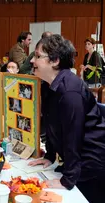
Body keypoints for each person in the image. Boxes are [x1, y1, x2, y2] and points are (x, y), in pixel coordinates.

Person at [29, 34, 105, 203]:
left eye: (37, 56)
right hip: (74, 162)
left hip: (91, 166)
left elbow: (73, 136)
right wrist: (49, 155)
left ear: (55, 61)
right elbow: (50, 123)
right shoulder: (48, 84)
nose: (32, 61)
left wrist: (68, 180)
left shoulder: (70, 91)